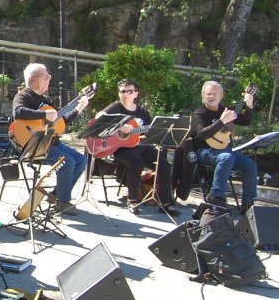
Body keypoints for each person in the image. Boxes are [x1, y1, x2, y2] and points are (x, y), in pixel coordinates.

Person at [11, 63, 88, 216]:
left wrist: (78, 109)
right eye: (45, 77)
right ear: (32, 80)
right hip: (33, 144)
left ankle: (55, 194)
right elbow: (18, 112)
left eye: (49, 77)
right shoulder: (23, 95)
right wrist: (44, 115)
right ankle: (63, 201)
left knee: (81, 160)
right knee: (67, 161)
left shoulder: (45, 99)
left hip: (50, 142)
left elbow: (60, 121)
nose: (48, 80)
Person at [95, 79, 180, 217]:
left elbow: (150, 131)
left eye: (129, 91)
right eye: (123, 91)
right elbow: (99, 117)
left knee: (164, 164)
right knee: (136, 163)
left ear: (136, 94)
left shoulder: (142, 111)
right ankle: (133, 201)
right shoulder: (116, 107)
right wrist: (120, 127)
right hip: (120, 147)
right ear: (119, 94)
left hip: (140, 146)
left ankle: (166, 203)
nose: (126, 94)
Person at [190, 80, 257, 213]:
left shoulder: (227, 110)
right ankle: (216, 197)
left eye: (215, 94)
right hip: (205, 151)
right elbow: (201, 134)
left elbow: (246, 121)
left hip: (226, 150)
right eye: (208, 94)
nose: (211, 97)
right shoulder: (200, 113)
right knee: (227, 158)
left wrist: (249, 105)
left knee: (251, 164)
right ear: (202, 95)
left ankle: (248, 204)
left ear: (221, 95)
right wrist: (222, 121)